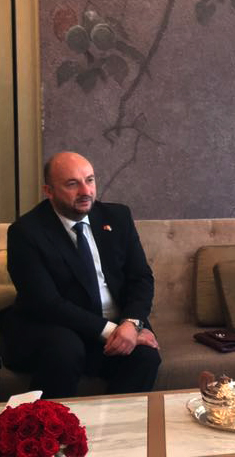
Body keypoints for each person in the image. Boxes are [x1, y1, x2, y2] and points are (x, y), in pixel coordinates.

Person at [1, 151, 161, 397]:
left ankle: (115, 421)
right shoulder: (26, 232)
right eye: (72, 184)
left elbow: (140, 278)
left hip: (117, 323)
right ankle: (52, 421)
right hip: (56, 326)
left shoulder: (117, 217)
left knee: (146, 357)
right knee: (65, 350)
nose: (86, 191)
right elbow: (46, 303)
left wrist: (131, 324)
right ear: (49, 191)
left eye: (90, 180)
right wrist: (112, 331)